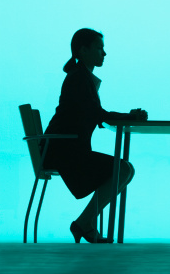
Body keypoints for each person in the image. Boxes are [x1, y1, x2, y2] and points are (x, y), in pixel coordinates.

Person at [43, 28, 148, 243]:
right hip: (64, 151)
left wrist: (127, 116)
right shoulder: (79, 79)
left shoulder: (81, 77)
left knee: (125, 170)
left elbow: (94, 113)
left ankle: (84, 223)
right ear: (83, 50)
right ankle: (84, 223)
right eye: (100, 48)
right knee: (124, 169)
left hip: (63, 148)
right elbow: (97, 113)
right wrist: (130, 116)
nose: (104, 54)